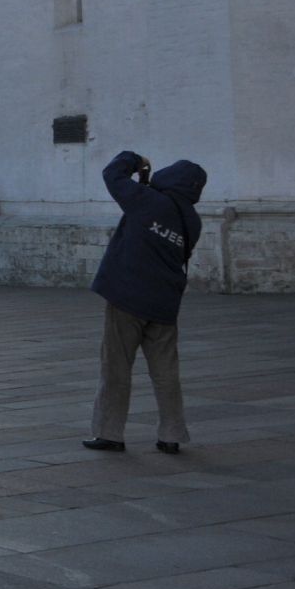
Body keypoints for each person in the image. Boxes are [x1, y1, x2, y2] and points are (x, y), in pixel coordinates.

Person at [84, 150, 206, 455]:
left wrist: (133, 160)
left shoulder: (147, 201)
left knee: (116, 367)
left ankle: (110, 433)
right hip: (164, 304)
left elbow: (112, 175)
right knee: (166, 372)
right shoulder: (192, 220)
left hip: (128, 297)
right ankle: (171, 434)